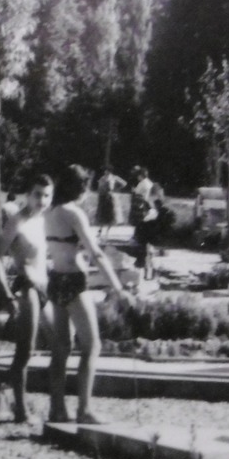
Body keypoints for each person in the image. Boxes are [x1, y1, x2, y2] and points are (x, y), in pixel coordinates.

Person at [43, 164, 129, 425]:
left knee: (61, 349)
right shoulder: (74, 213)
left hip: (55, 279)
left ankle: (57, 409)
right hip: (74, 282)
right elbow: (96, 253)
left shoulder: (51, 212)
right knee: (92, 345)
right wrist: (118, 287)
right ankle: (84, 409)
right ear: (80, 188)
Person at [0, 173, 53, 425]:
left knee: (62, 342)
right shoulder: (17, 221)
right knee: (25, 351)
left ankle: (54, 403)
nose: (42, 200)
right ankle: (20, 410)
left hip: (46, 286)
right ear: (28, 195)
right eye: (38, 194)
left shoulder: (43, 221)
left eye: (47, 195)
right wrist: (5, 293)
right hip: (27, 286)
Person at [94, 168, 126, 237]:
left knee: (110, 215)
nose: (105, 172)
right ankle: (100, 230)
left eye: (107, 171)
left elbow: (124, 183)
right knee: (102, 215)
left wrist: (116, 189)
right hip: (103, 198)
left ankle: (107, 232)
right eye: (105, 171)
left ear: (110, 171)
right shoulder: (102, 178)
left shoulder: (114, 177)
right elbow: (99, 188)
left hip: (110, 198)